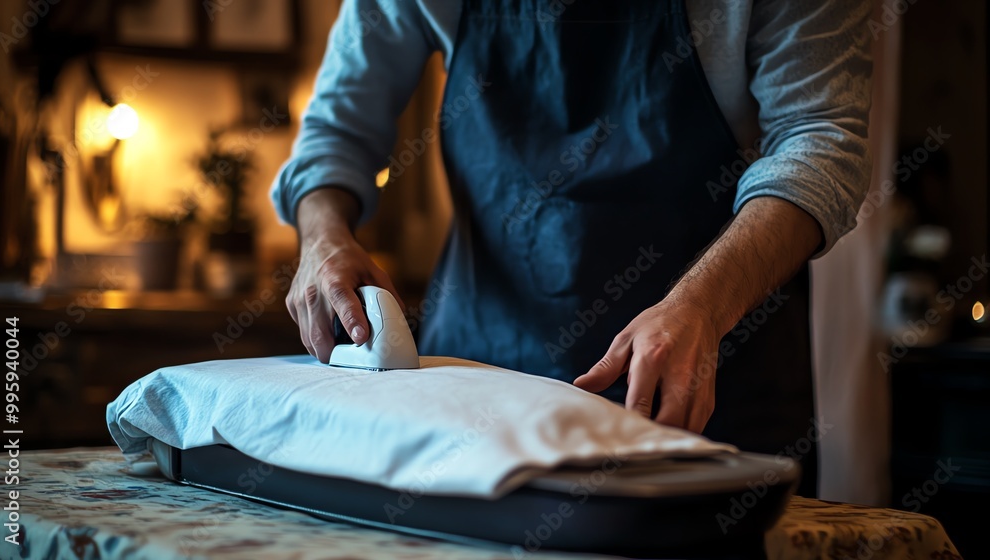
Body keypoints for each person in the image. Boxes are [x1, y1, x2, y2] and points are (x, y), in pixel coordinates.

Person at [271, 0, 873, 498]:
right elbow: (336, 135)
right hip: (478, 386)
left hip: (709, 392)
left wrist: (704, 305)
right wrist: (323, 237)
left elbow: (821, 141)